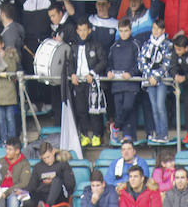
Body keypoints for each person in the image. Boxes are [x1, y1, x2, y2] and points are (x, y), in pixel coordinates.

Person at [69, 17, 107, 146]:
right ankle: (84, 135)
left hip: (92, 82)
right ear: (77, 31)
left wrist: (92, 73)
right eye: (80, 30)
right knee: (81, 110)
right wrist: (72, 74)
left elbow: (103, 61)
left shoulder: (96, 45)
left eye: (85, 30)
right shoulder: (73, 46)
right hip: (78, 82)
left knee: (94, 110)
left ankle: (97, 135)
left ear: (89, 30)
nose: (83, 33)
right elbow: (69, 63)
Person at [138, 20, 173, 144]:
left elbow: (167, 64)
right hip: (149, 81)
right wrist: (150, 76)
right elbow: (141, 62)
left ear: (163, 30)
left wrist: (156, 77)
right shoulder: (146, 44)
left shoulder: (168, 44)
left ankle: (164, 134)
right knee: (154, 107)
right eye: (154, 28)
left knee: (160, 106)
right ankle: (158, 133)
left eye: (158, 29)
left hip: (162, 80)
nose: (156, 31)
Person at [108, 18, 141, 143]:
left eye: (126, 31)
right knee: (119, 110)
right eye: (121, 31)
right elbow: (109, 64)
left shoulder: (135, 44)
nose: (123, 33)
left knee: (128, 107)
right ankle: (126, 136)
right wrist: (109, 72)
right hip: (117, 84)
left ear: (130, 30)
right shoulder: (114, 46)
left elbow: (140, 64)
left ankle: (116, 127)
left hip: (131, 83)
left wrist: (131, 73)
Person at [23, 142, 75, 207]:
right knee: (29, 199)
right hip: (42, 195)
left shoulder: (62, 164)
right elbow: (32, 186)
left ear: (53, 152)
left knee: (57, 180)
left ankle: (47, 205)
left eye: (48, 157)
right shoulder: (38, 167)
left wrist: (53, 180)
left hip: (57, 195)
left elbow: (70, 185)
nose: (47, 161)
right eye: (44, 158)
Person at [0, 137, 32, 207]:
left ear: (17, 151)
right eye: (6, 149)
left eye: (10, 149)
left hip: (14, 191)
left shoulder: (24, 164)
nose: (7, 151)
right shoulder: (1, 161)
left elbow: (24, 183)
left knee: (13, 199)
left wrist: (7, 192)